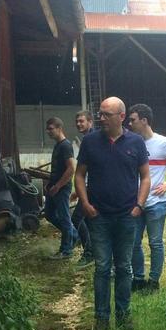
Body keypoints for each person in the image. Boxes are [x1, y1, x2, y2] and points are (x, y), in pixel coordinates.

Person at [75, 97, 150, 330]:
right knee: (102, 267)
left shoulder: (136, 142)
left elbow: (145, 177)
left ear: (121, 116)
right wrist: (85, 203)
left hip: (127, 215)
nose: (101, 118)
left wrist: (139, 205)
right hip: (99, 216)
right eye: (100, 114)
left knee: (124, 267)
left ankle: (123, 316)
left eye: (107, 114)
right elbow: (79, 175)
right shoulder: (90, 141)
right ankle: (102, 319)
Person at [127, 103, 166, 293]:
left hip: (156, 203)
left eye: (133, 120)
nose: (129, 123)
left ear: (144, 120)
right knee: (134, 242)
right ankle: (138, 278)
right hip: (135, 202)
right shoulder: (131, 142)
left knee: (155, 243)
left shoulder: (164, 143)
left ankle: (154, 281)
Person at [44, 117, 77, 260]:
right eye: (47, 129)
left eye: (51, 129)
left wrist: (58, 186)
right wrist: (50, 183)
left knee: (64, 218)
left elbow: (71, 169)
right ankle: (74, 235)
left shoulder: (65, 145)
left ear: (59, 128)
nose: (48, 132)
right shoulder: (58, 145)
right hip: (54, 187)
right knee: (49, 214)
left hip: (62, 189)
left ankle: (66, 251)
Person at [70, 110, 96, 267]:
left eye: (82, 121)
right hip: (87, 187)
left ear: (90, 122)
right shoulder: (87, 139)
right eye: (77, 121)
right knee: (86, 220)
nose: (79, 124)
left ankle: (90, 252)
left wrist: (83, 189)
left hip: (92, 188)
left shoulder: (91, 140)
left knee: (77, 218)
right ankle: (91, 249)